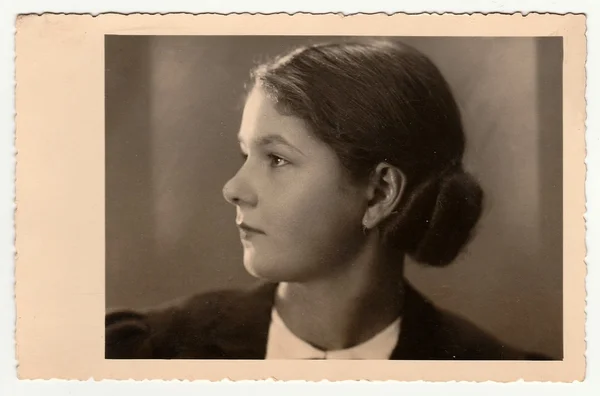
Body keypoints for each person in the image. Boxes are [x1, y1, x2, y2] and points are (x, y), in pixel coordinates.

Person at [106, 39, 549, 360]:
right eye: (246, 154)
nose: (233, 189)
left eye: (276, 159)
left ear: (379, 193)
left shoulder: (498, 375)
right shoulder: (150, 352)